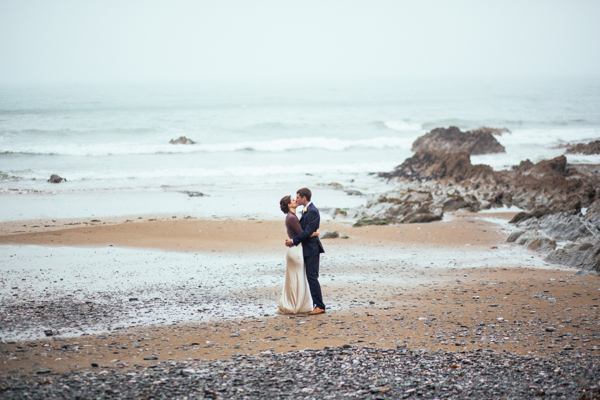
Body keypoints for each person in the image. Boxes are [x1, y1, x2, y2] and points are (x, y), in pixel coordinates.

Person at [285, 188, 326, 315]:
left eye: (298, 197)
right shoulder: (306, 211)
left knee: (312, 277)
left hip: (312, 249)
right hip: (307, 248)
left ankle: (320, 306)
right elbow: (305, 231)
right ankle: (314, 304)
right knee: (310, 277)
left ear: (304, 198)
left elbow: (306, 232)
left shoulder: (313, 211)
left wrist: (293, 241)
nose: (296, 199)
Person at [277, 195, 317, 314]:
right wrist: (315, 233)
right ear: (289, 205)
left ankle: (294, 304)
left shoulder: (292, 216)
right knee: (297, 278)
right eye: (293, 200)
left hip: (294, 249)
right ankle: (296, 305)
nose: (296, 200)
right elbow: (302, 234)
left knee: (296, 278)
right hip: (296, 250)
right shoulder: (291, 218)